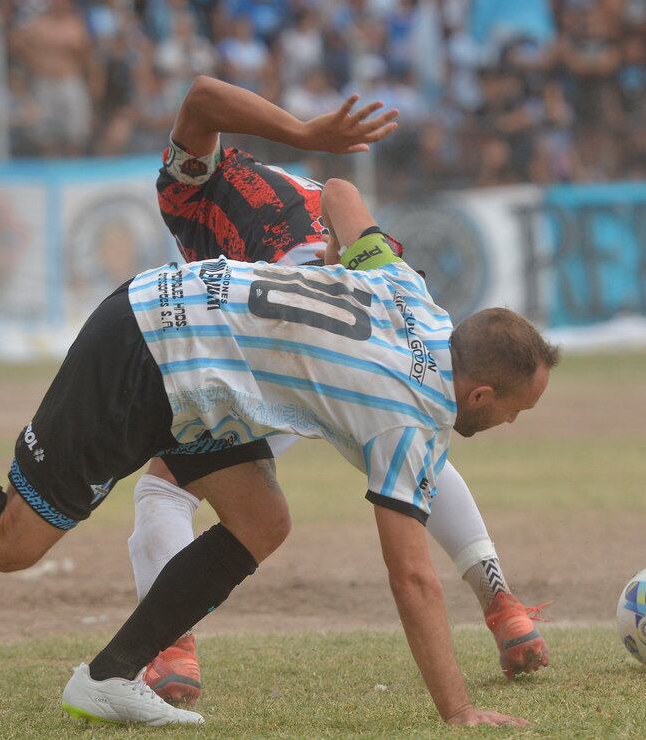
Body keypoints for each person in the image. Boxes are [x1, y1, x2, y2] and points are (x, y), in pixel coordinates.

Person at [0, 103, 556, 727]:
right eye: (516, 411)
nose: (512, 424)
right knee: (7, 542)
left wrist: (339, 268)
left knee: (263, 518)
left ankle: (111, 675)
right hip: (150, 351)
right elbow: (411, 574)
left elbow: (343, 195)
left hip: (199, 372)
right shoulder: (410, 417)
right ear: (480, 394)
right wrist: (457, 712)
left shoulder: (412, 295)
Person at [132, 76, 551, 707]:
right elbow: (338, 191)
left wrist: (303, 130)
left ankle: (170, 650)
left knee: (165, 483)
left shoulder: (185, 188)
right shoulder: (280, 185)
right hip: (368, 311)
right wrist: (335, 244)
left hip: (275, 345)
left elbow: (200, 97)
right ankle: (504, 605)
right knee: (415, 452)